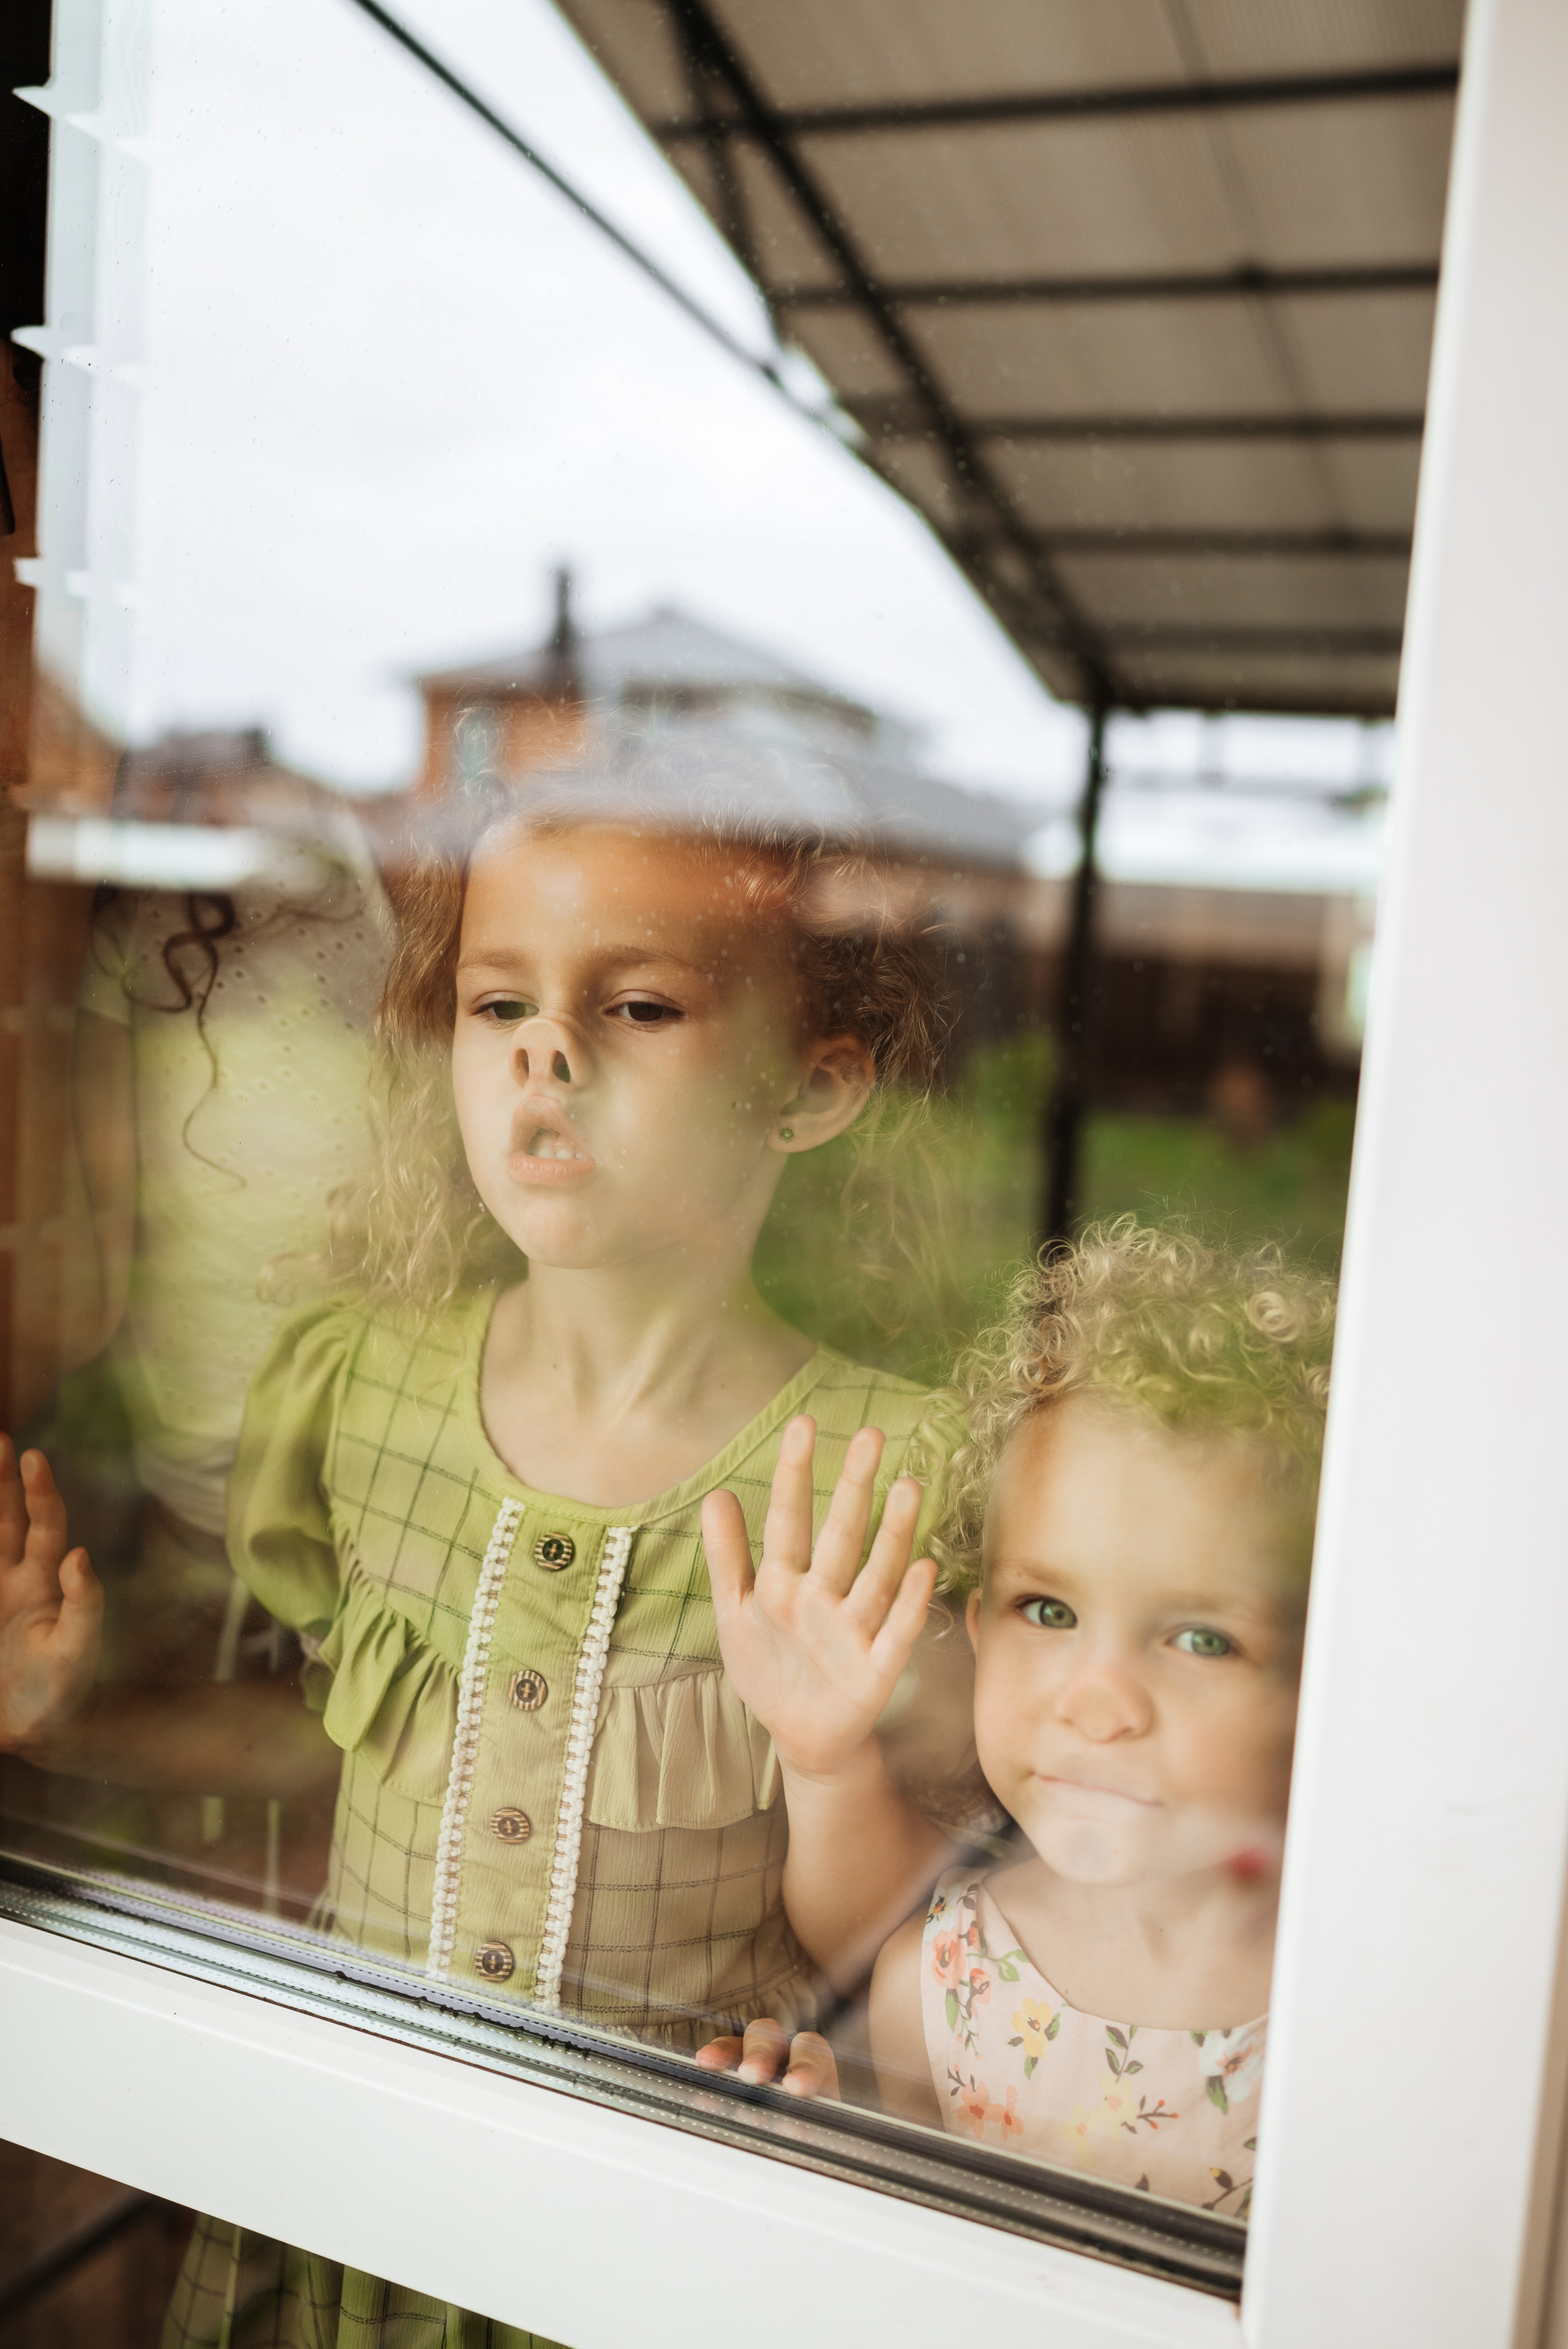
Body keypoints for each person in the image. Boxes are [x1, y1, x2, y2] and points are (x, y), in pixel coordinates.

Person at [0, 775, 981, 2345]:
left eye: (640, 1005)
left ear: (812, 1087)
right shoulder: (356, 1389)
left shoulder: (879, 1477)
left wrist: (829, 1776)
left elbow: (935, 1941)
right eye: (496, 1001)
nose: (546, 1051)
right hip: (351, 2212)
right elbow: (327, 1766)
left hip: (640, 2253)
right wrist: (68, 1720)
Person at [698, 1222, 1333, 2216]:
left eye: (1201, 1637)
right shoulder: (946, 1988)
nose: (1097, 1700)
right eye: (1049, 1610)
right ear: (981, 1625)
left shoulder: (1371, 2008)